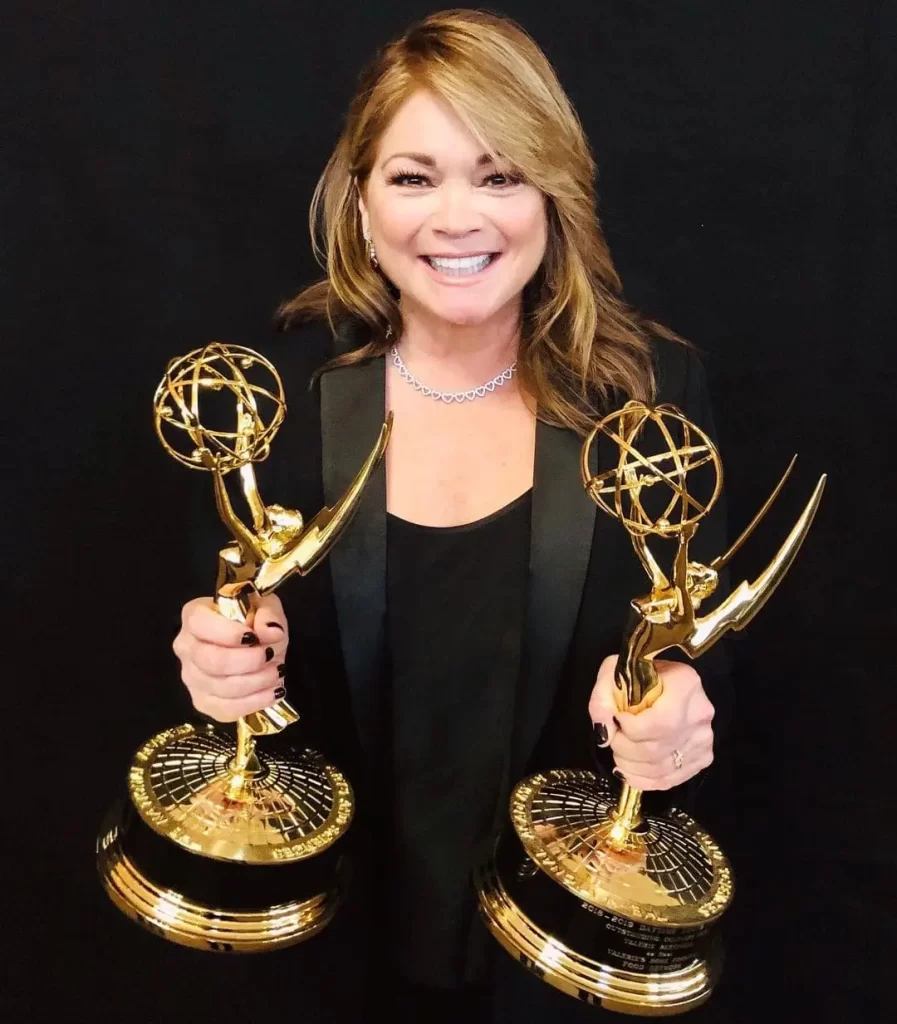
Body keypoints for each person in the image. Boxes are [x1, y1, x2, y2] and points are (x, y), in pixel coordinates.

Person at [171, 10, 732, 1022]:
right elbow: (226, 639)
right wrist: (215, 663)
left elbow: (695, 634)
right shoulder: (281, 399)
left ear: (553, 193)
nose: (458, 218)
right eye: (414, 176)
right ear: (359, 201)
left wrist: (680, 701)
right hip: (331, 961)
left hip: (560, 965)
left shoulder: (654, 395)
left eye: (500, 175)